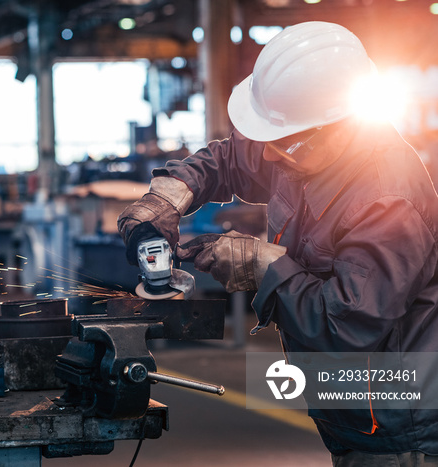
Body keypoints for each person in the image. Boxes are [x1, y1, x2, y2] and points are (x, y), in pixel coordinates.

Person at [118, 21, 438, 466]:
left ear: (337, 127)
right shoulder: (303, 150)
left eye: (281, 143)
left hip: (400, 432)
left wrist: (260, 266)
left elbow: (344, 325)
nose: (269, 154)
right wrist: (167, 196)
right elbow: (230, 157)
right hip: (348, 412)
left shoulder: (388, 201)